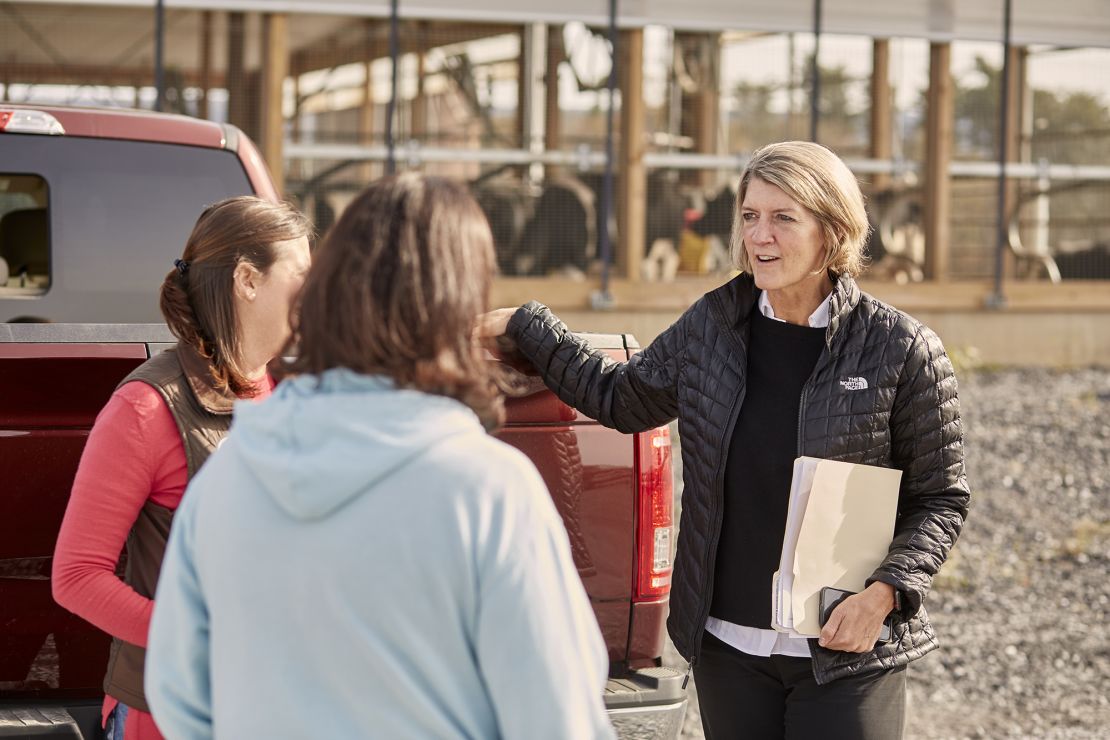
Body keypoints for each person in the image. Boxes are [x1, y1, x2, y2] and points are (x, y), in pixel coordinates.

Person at [477, 141, 971, 739]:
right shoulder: (712, 327)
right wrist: (529, 325)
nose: (760, 236)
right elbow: (621, 399)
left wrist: (886, 595)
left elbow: (941, 497)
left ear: (832, 231)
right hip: (728, 653)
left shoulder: (900, 349)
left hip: (848, 654)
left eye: (784, 218)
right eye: (749, 216)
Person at [144, 174, 614, 740]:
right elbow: (557, 720)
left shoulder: (230, 472)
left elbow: (178, 692)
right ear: (456, 306)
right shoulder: (488, 493)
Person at [52, 196, 312, 740]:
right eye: (302, 274)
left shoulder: (282, 392)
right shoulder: (145, 408)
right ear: (247, 279)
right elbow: (76, 578)